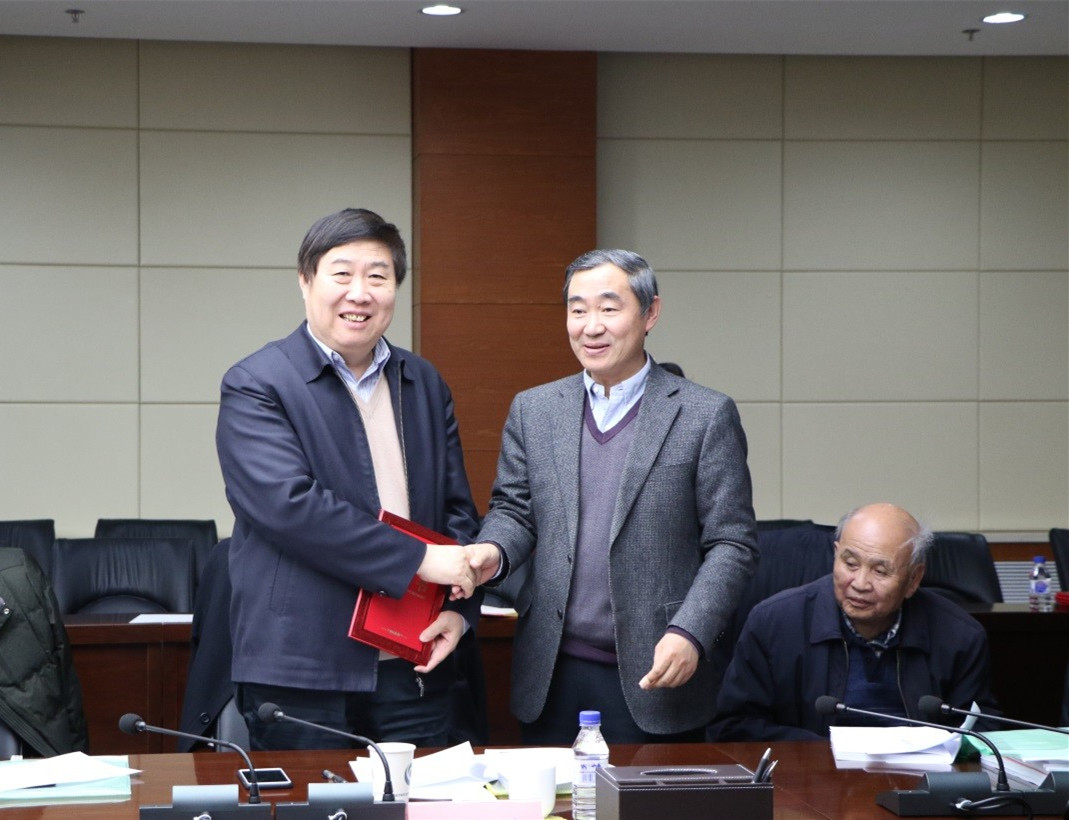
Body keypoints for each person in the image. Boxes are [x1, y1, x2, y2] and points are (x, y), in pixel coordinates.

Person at [466, 248, 758, 744]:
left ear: (650, 313)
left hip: (656, 672)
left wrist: (691, 631)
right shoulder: (535, 410)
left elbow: (733, 544)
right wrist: (491, 552)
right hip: (550, 674)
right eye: (577, 310)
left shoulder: (704, 415)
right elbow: (514, 511)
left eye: (608, 307)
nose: (591, 326)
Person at [216, 208, 481, 750]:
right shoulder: (257, 383)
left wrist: (457, 611)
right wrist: (417, 559)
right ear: (305, 280)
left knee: (419, 795)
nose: (359, 293)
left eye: (377, 277)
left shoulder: (422, 382)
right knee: (314, 798)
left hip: (413, 661)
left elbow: (455, 511)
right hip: (301, 669)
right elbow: (289, 506)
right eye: (342, 274)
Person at [709, 502, 1000, 741]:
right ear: (835, 554)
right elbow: (733, 727)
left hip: (918, 781)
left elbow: (982, 730)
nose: (860, 583)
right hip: (813, 781)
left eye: (880, 571)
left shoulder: (959, 636)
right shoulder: (774, 623)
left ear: (914, 579)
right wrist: (825, 752)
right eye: (850, 564)